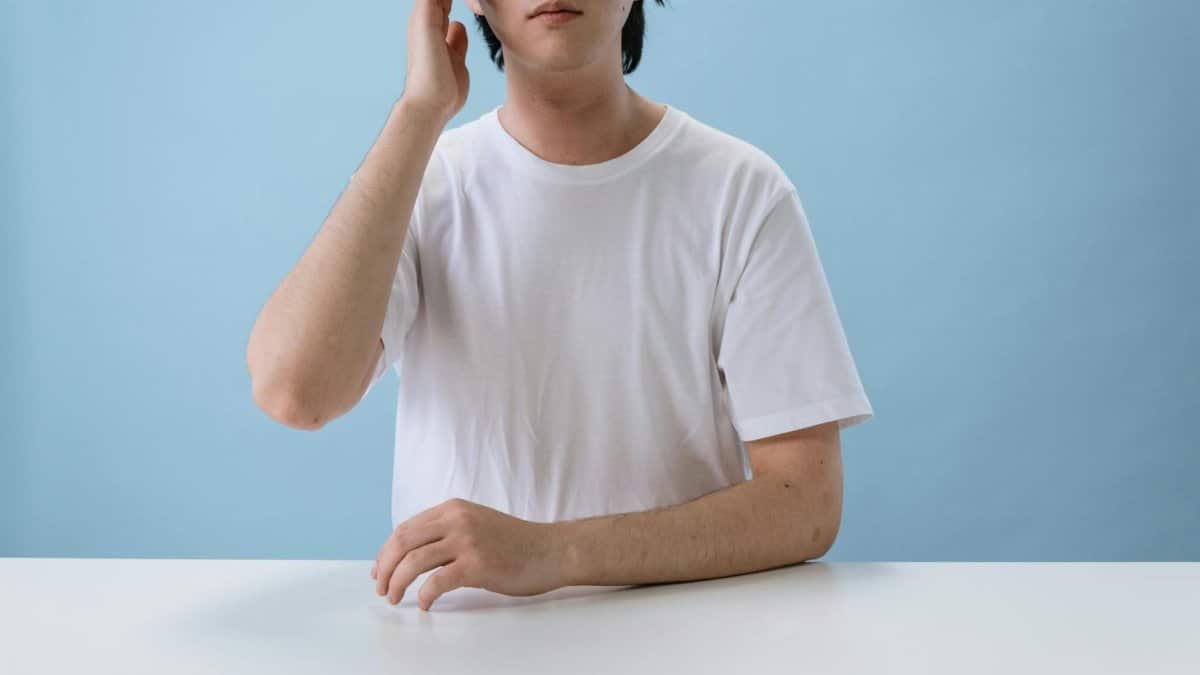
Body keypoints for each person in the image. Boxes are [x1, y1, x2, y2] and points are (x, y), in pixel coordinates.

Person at [246, 0, 874, 611]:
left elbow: (806, 502)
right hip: (463, 646)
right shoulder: (424, 185)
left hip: (682, 633)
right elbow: (295, 393)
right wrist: (418, 112)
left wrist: (550, 553)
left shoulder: (741, 191)